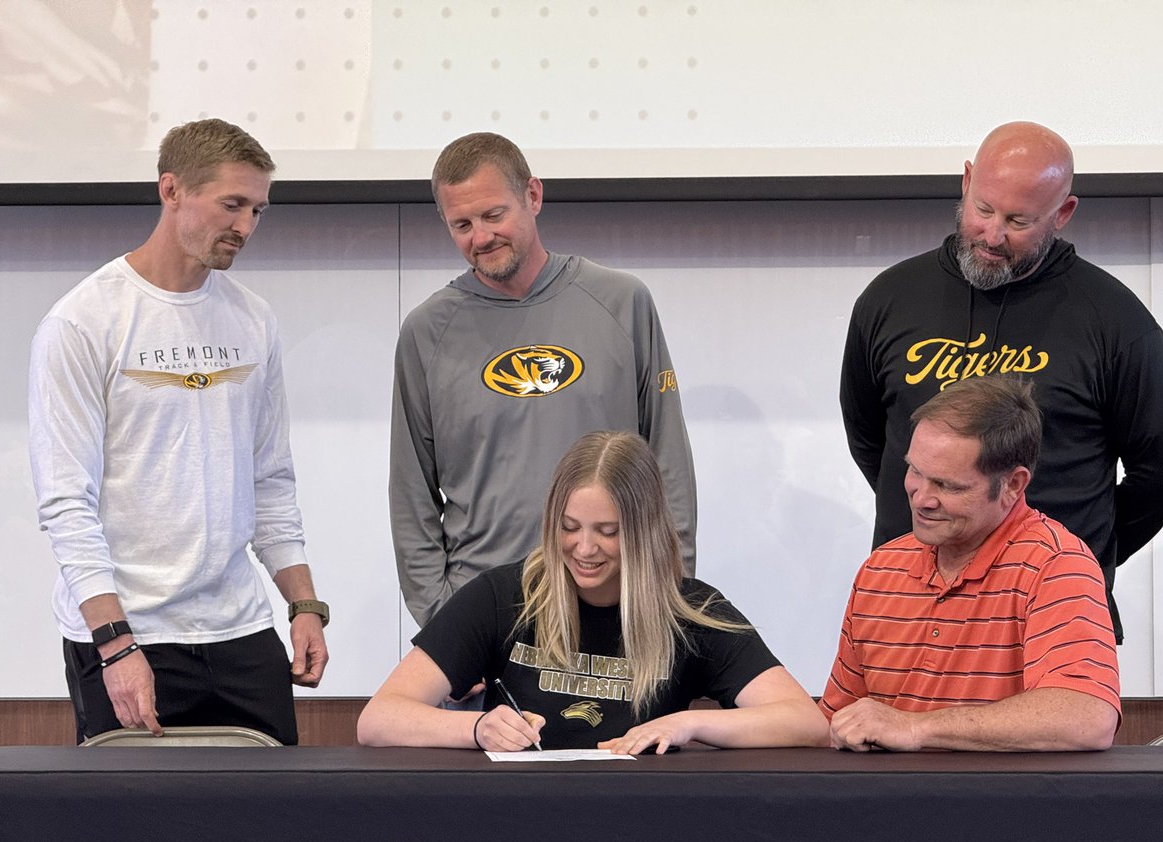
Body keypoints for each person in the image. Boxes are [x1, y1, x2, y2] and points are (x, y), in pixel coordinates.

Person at [28, 118, 328, 745]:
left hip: (240, 631)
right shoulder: (84, 322)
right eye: (231, 204)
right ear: (171, 190)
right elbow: (65, 503)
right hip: (129, 635)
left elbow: (269, 479)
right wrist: (114, 646)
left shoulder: (253, 319)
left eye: (257, 210)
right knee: (135, 839)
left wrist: (302, 605)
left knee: (274, 831)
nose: (245, 226)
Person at [839, 121, 1163, 642]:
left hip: (1049, 613)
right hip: (910, 606)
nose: (992, 235)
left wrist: (1083, 550)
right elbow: (871, 441)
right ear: (966, 182)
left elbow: (1159, 474)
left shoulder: (1115, 320)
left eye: (1018, 220)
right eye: (983, 209)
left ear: (1063, 213)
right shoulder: (890, 299)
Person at [390, 132, 697, 636]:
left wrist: (671, 590)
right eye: (461, 225)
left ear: (533, 195)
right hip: (484, 614)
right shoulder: (426, 332)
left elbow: (668, 463)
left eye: (493, 215)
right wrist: (443, 626)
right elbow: (411, 495)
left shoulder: (622, 302)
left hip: (615, 606)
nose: (480, 237)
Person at [359, 431, 826, 753]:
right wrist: (477, 728)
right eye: (569, 528)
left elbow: (804, 721)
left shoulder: (689, 609)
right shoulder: (502, 596)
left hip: (640, 828)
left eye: (607, 531)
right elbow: (379, 719)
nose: (584, 549)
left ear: (645, 531)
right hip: (513, 822)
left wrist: (689, 723)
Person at [821, 377, 1120, 752]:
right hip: (887, 805)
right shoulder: (881, 569)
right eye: (915, 471)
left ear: (1013, 484)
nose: (922, 498)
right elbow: (836, 721)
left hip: (1000, 807)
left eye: (949, 486)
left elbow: (1086, 718)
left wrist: (916, 728)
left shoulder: (1057, 565)